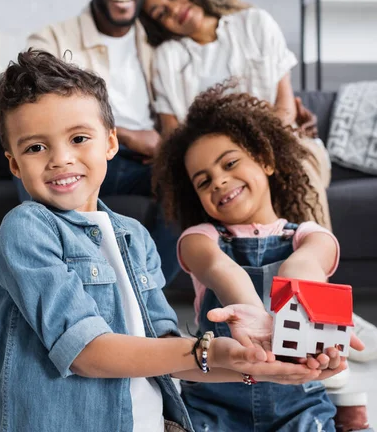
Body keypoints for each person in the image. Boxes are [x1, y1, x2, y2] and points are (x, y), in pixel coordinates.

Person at [0, 51, 342, 432]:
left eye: (78, 138)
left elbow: (168, 352)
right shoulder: (27, 228)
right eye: (35, 147)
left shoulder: (134, 237)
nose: (60, 159)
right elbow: (86, 352)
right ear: (14, 164)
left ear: (110, 143)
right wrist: (210, 349)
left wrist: (258, 366)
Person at [153, 83, 370, 432]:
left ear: (266, 161)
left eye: (230, 163)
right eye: (204, 181)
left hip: (297, 398)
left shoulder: (309, 235)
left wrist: (292, 286)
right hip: (214, 399)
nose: (219, 182)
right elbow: (220, 269)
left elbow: (307, 263)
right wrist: (252, 311)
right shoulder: (200, 239)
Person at [26, 0, 179, 284]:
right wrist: (126, 134)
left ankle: (141, 291)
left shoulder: (161, 43)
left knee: (185, 183)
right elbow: (40, 108)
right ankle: (64, 291)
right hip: (78, 151)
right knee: (38, 163)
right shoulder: (51, 39)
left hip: (143, 163)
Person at [142, 0, 331, 229]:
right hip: (215, 164)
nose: (173, 9)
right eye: (161, 13)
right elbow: (174, 133)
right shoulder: (166, 58)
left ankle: (314, 266)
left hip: (277, 142)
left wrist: (257, 153)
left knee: (299, 167)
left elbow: (285, 106)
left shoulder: (255, 23)